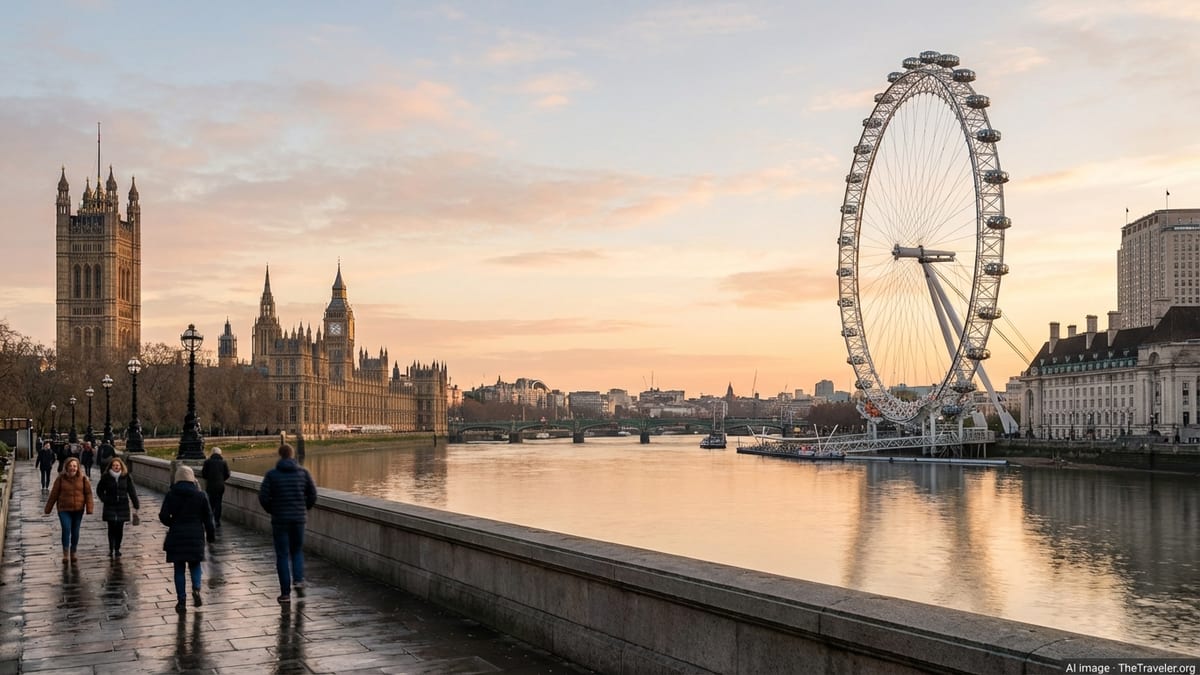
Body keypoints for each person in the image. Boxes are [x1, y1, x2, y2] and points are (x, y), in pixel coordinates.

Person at [258, 443, 317, 603]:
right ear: (293, 455)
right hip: (298, 520)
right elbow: (313, 495)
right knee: (297, 551)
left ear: (280, 455)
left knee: (282, 555)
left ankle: (285, 594)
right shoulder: (304, 473)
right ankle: (298, 580)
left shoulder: (271, 475)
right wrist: (303, 508)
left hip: (280, 520)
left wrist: (272, 510)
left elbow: (263, 497)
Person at [159, 465, 215, 613]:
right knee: (195, 565)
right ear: (192, 478)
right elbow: (208, 519)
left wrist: (173, 523)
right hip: (195, 535)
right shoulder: (201, 495)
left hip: (177, 535)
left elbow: (163, 516)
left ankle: (181, 601)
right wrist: (211, 536)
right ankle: (196, 589)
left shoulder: (171, 494)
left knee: (179, 569)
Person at [44, 457, 93, 562]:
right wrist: (48, 508)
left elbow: (88, 494)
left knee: (75, 531)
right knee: (66, 529)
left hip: (78, 509)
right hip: (64, 509)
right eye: (70, 466)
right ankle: (65, 553)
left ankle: (73, 551)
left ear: (78, 467)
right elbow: (54, 494)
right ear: (66, 467)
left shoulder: (83, 478)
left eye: (74, 466)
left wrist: (89, 508)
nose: (72, 468)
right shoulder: (60, 479)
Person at [96, 457, 140, 557]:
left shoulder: (126, 476)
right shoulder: (106, 477)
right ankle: (111, 548)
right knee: (111, 527)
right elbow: (99, 490)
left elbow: (131, 491)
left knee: (119, 528)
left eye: (118, 465)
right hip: (110, 505)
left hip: (122, 505)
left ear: (121, 466)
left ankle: (117, 548)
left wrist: (136, 504)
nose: (116, 467)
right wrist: (104, 499)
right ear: (111, 466)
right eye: (114, 465)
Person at [200, 447, 231, 529]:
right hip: (220, 486)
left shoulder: (207, 462)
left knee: (210, 503)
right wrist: (221, 479)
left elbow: (203, 474)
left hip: (210, 486)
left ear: (212, 453)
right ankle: (217, 521)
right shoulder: (223, 462)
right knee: (218, 503)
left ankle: (210, 519)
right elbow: (227, 474)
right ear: (220, 454)